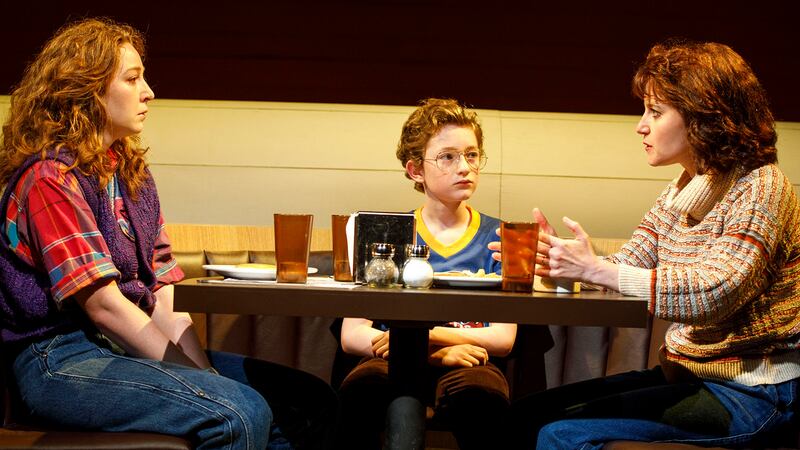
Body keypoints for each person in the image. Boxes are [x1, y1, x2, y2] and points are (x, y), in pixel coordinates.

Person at [0, 18, 336, 449]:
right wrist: (201, 381)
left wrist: (202, 373)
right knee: (238, 412)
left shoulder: (132, 177)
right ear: (87, 90)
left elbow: (161, 295)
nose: (149, 92)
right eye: (132, 79)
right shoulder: (50, 180)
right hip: (58, 358)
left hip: (121, 347)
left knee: (308, 401)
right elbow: (104, 307)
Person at [499, 40, 799, 449]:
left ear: (703, 117)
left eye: (655, 112)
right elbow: (629, 264)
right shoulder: (681, 189)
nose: (641, 126)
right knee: (522, 417)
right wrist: (563, 261)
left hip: (754, 392)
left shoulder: (761, 187)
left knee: (561, 436)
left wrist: (595, 269)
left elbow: (716, 291)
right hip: (688, 374)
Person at [335, 98, 517, 449]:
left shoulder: (502, 237)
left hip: (469, 359)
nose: (464, 167)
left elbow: (503, 339)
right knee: (362, 391)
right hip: (390, 358)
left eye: (472, 155)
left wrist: (424, 338)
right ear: (416, 170)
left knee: (482, 398)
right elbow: (351, 334)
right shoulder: (387, 232)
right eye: (447, 157)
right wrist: (432, 353)